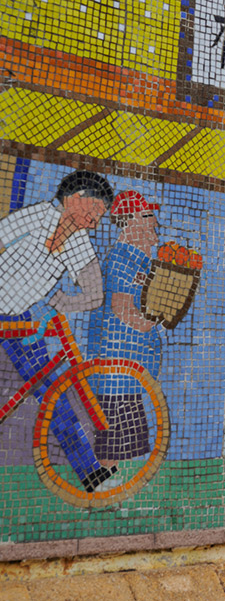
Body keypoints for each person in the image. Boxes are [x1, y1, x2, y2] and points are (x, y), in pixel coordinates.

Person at [0, 170, 117, 492]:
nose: (95, 220)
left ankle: (90, 473)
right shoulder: (37, 216)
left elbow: (95, 295)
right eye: (94, 210)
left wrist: (60, 302)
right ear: (74, 198)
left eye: (101, 216)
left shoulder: (79, 242)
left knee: (54, 394)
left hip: (23, 323)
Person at [86, 190, 163, 461]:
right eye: (147, 215)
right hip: (116, 369)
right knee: (113, 436)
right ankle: (104, 487)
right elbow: (122, 308)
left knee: (128, 437)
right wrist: (148, 321)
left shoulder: (141, 259)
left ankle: (114, 489)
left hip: (130, 371)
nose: (154, 221)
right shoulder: (121, 258)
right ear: (129, 221)